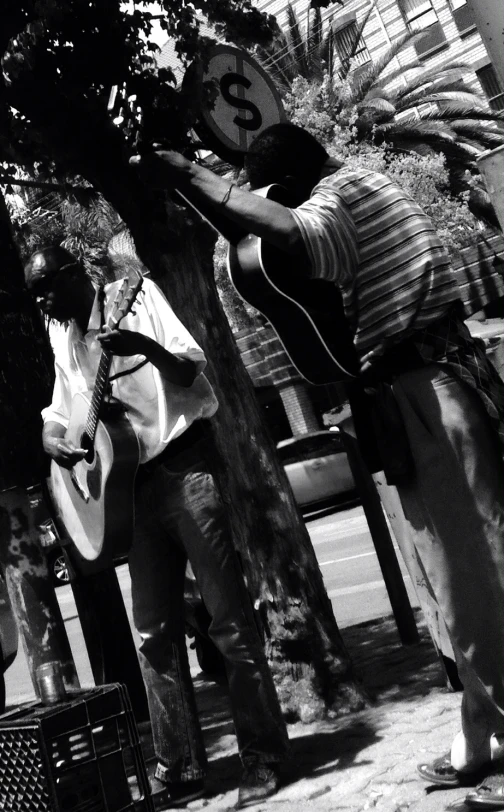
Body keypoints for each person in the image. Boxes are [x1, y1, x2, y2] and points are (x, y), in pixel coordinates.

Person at [130, 122, 504, 810]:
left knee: (470, 572)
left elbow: (292, 231)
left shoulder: (341, 190)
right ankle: (481, 733)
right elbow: (266, 232)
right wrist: (205, 196)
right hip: (416, 388)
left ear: (301, 179)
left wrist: (191, 172)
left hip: (425, 386)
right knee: (447, 575)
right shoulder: (360, 183)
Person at [24, 245, 289, 810]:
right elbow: (60, 404)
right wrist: (52, 437)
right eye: (35, 294)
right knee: (154, 634)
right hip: (128, 489)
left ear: (74, 276)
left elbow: (190, 366)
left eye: (47, 288)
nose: (42, 302)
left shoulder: (135, 298)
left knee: (228, 620)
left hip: (184, 466)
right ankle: (180, 767)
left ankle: (263, 753)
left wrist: (142, 347)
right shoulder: (61, 333)